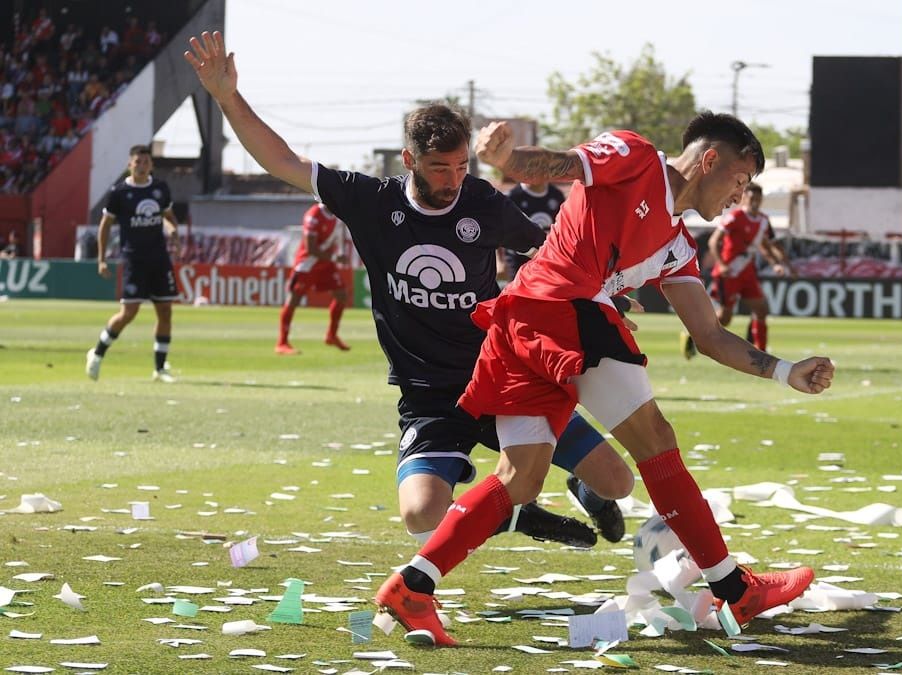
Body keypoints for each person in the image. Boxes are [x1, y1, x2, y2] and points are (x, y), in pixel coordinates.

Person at [368, 111, 835, 646]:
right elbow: (562, 165)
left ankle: (412, 587)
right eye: (740, 180)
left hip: (524, 325)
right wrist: (508, 161)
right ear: (710, 160)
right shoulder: (637, 157)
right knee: (656, 441)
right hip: (558, 310)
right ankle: (735, 588)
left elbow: (709, 335)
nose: (738, 196)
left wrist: (785, 372)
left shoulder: (677, 246)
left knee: (520, 480)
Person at [184, 31, 631, 552]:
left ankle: (583, 492)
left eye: (463, 165)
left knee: (617, 482)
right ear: (409, 159)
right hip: (429, 395)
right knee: (421, 515)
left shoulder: (483, 203)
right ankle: (515, 516)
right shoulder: (370, 201)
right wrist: (225, 97)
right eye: (441, 167)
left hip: (504, 379)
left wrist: (605, 295)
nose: (454, 178)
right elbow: (281, 161)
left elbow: (552, 252)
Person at [86, 145, 180, 382]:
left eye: (146, 162)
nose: (141, 165)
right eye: (137, 162)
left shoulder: (160, 189)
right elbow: (105, 225)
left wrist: (172, 231)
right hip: (133, 258)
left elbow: (168, 219)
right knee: (129, 312)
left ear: (152, 165)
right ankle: (97, 354)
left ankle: (159, 369)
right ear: (130, 164)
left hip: (159, 258)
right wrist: (101, 259)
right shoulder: (119, 193)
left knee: (165, 311)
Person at [682, 182, 789, 359]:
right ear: (744, 198)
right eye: (751, 198)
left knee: (761, 309)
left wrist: (775, 263)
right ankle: (692, 335)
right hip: (729, 273)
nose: (754, 201)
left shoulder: (763, 220)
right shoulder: (735, 217)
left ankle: (760, 351)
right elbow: (713, 241)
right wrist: (722, 264)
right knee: (725, 318)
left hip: (747, 273)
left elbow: (765, 245)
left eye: (757, 198)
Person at [276, 202, 351, 354]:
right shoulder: (314, 216)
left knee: (342, 295)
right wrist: (336, 258)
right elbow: (311, 249)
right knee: (293, 300)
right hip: (307, 264)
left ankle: (331, 335)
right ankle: (282, 343)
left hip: (326, 265)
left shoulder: (337, 215)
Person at [496, 180, 565, 280]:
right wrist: (500, 262)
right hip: (518, 262)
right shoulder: (511, 197)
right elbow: (498, 231)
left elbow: (562, 228)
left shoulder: (557, 195)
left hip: (547, 261)